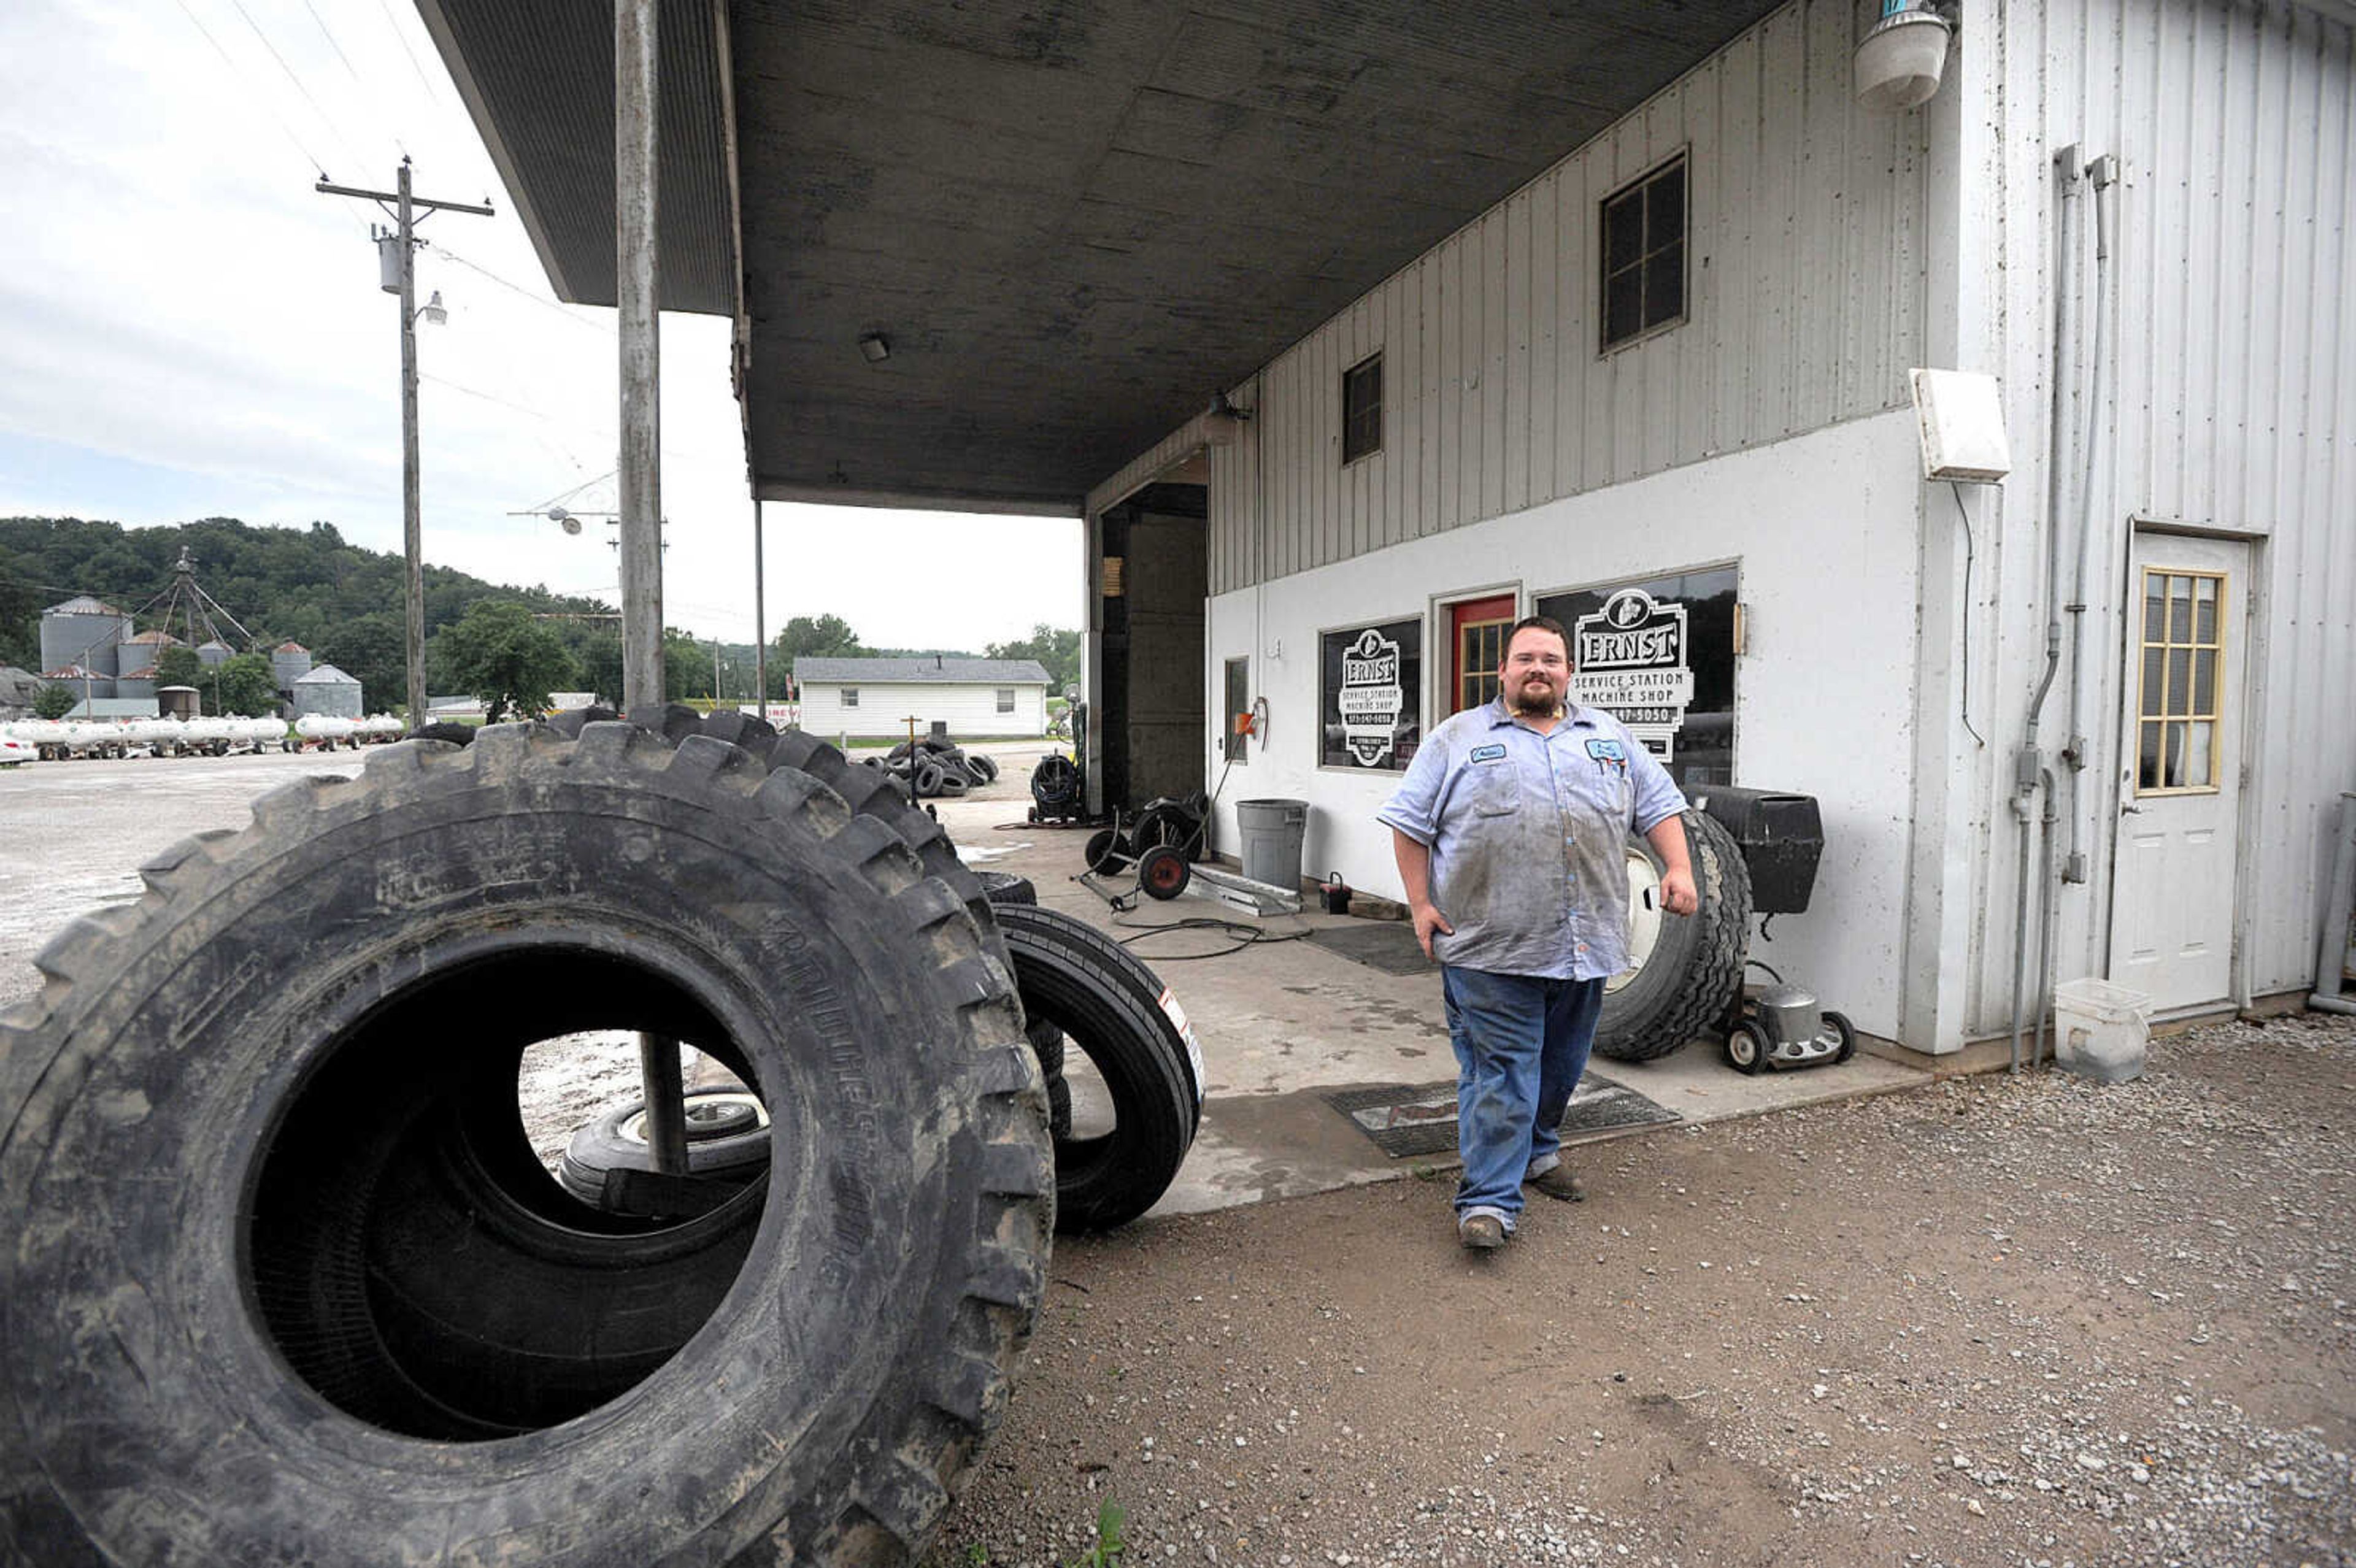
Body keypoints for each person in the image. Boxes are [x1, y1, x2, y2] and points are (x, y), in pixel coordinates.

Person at [1377, 615, 1695, 1251]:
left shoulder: (1608, 736)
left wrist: (1680, 867)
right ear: (1504, 671)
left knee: (1561, 1067)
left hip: (1587, 943)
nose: (1538, 669)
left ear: (1569, 671)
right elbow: (1410, 824)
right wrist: (1419, 904)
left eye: (1551, 659)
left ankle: (1537, 1154)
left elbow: (1659, 805)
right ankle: (1489, 1202)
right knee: (1502, 1072)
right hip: (1490, 945)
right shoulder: (1457, 737)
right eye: (1525, 659)